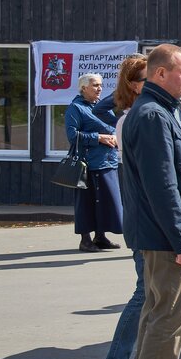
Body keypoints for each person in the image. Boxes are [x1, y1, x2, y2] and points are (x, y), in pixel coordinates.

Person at [118, 44, 181, 359]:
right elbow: (162, 185)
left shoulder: (158, 112)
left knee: (157, 313)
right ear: (160, 74)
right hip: (163, 235)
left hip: (156, 232)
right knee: (169, 315)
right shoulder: (153, 116)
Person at [95, 54, 148, 359]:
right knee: (146, 293)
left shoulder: (156, 115)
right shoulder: (131, 119)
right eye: (148, 78)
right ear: (133, 84)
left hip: (152, 220)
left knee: (156, 296)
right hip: (145, 220)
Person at [65, 73, 122, 252]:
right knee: (86, 202)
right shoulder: (76, 108)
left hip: (108, 161)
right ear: (84, 88)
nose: (100, 88)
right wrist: (99, 138)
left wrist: (115, 137)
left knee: (106, 201)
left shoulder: (101, 107)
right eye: (95, 85)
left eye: (101, 85)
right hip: (88, 164)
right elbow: (73, 136)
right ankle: (85, 240)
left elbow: (113, 125)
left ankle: (100, 236)